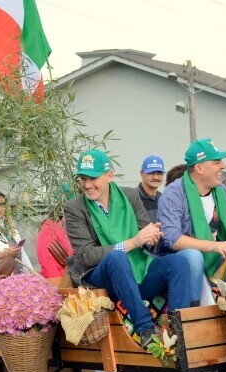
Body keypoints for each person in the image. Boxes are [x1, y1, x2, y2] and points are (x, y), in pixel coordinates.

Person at [64, 149, 194, 349]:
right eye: (83, 179)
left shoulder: (131, 195)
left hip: (138, 268)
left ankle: (179, 330)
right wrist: (132, 242)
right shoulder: (75, 207)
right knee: (116, 258)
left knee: (181, 261)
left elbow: (146, 234)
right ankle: (145, 328)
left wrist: (153, 237)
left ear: (109, 175)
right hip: (102, 279)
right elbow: (86, 255)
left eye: (93, 178)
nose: (87, 185)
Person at [158, 138, 226, 284]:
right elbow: (173, 238)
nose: (223, 166)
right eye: (217, 162)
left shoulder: (222, 190)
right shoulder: (174, 193)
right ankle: (201, 304)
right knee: (193, 257)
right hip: (183, 264)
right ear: (199, 168)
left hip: (219, 260)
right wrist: (215, 246)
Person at [137, 155, 165, 223]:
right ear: (141, 173)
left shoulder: (164, 199)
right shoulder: (134, 198)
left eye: (159, 173)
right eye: (151, 173)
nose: (156, 177)